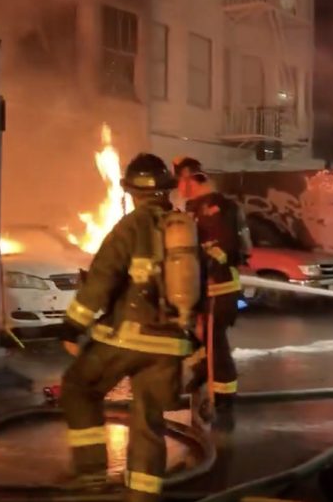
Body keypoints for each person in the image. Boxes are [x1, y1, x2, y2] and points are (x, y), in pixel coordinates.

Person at [59, 153, 199, 502]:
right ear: (166, 189)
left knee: (78, 387)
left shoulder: (131, 226)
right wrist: (194, 342)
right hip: (172, 343)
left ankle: (92, 476)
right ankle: (143, 494)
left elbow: (102, 279)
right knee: (148, 417)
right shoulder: (184, 229)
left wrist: (72, 326)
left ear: (131, 191)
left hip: (128, 337)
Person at [172, 156, 252, 414]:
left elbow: (224, 249)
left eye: (180, 180)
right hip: (202, 288)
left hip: (219, 287)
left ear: (190, 179)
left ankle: (224, 397)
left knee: (215, 343)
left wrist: (204, 262)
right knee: (193, 334)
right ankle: (202, 371)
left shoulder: (216, 208)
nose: (178, 187)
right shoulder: (194, 208)